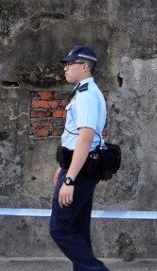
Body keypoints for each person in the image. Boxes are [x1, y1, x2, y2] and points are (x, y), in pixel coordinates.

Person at [50, 44, 109, 271]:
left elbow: (85, 138)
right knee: (78, 228)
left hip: (80, 171)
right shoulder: (85, 92)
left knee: (60, 228)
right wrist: (64, 167)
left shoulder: (86, 95)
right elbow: (78, 138)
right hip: (79, 166)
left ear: (84, 66)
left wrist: (70, 179)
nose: (65, 68)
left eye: (69, 64)